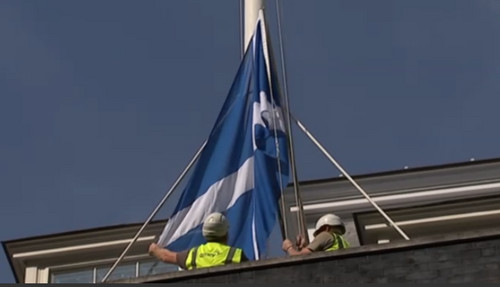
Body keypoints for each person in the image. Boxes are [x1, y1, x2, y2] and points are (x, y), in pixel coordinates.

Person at [148, 212, 248, 270]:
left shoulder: (193, 255)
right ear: (226, 233)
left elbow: (166, 256)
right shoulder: (236, 254)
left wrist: (155, 249)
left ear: (204, 233)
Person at [282, 213, 350, 256]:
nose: (318, 236)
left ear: (326, 228)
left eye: (318, 233)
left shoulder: (325, 235)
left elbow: (300, 257)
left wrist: (289, 247)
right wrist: (303, 247)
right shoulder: (342, 242)